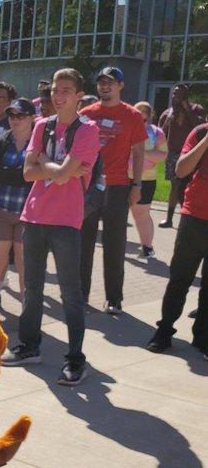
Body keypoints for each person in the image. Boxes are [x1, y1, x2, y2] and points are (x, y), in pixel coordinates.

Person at [1, 69, 100, 386]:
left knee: (71, 293)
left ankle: (75, 360)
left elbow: (52, 174)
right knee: (32, 288)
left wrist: (46, 163)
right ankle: (30, 347)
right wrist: (57, 168)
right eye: (56, 90)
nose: (58, 96)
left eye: (66, 90)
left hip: (66, 221)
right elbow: (28, 174)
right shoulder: (42, 126)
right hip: (34, 217)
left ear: (79, 95)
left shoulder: (87, 130)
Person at [78, 66, 147, 315]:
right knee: (83, 243)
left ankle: (114, 298)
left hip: (118, 186)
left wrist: (137, 185)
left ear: (121, 86)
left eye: (111, 82)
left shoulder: (132, 115)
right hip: (87, 187)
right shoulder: (86, 113)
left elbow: (139, 152)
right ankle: (81, 294)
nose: (105, 86)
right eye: (101, 82)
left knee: (115, 243)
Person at [147, 119, 208, 358]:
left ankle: (203, 336)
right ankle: (164, 332)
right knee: (179, 279)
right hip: (194, 216)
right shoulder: (200, 131)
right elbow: (181, 169)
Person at [0, 97, 36, 306]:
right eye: (12, 115)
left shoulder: (39, 143)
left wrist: (5, 173)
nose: (15, 119)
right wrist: (22, 174)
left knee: (24, 263)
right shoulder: (0, 142)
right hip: (0, 210)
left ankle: (27, 308)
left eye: (20, 115)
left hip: (29, 212)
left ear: (32, 117)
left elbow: (39, 175)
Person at [159, 85, 206, 229]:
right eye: (174, 93)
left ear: (186, 95)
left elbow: (200, 126)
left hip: (191, 154)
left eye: (180, 94)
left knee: (186, 185)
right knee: (175, 185)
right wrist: (167, 122)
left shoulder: (196, 109)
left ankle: (187, 217)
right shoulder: (168, 112)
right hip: (173, 154)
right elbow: (159, 133)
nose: (176, 96)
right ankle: (169, 218)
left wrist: (187, 108)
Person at [129, 102, 167, 259]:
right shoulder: (125, 130)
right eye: (137, 118)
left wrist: (140, 152)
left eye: (143, 120)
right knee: (116, 214)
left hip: (146, 180)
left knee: (141, 215)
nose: (140, 123)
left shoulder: (157, 133)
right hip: (123, 177)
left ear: (149, 118)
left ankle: (147, 247)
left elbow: (162, 155)